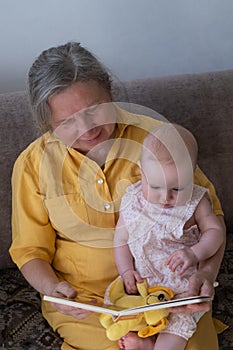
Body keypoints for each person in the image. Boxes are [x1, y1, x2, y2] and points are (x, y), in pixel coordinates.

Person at [9, 42, 226, 350]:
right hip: (91, 302)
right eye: (68, 122)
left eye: (94, 110)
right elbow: (30, 251)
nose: (87, 129)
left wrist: (204, 275)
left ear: (110, 94)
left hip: (170, 291)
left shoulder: (159, 139)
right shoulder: (33, 165)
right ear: (47, 123)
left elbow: (212, 221)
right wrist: (52, 288)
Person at [114, 123, 225, 350]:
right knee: (126, 319)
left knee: (175, 330)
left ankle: (156, 345)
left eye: (177, 189)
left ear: (192, 175)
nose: (165, 197)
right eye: (156, 186)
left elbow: (216, 232)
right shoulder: (132, 200)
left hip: (182, 288)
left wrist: (194, 253)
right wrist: (126, 271)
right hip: (145, 288)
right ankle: (145, 340)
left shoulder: (196, 202)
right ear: (141, 172)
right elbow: (120, 240)